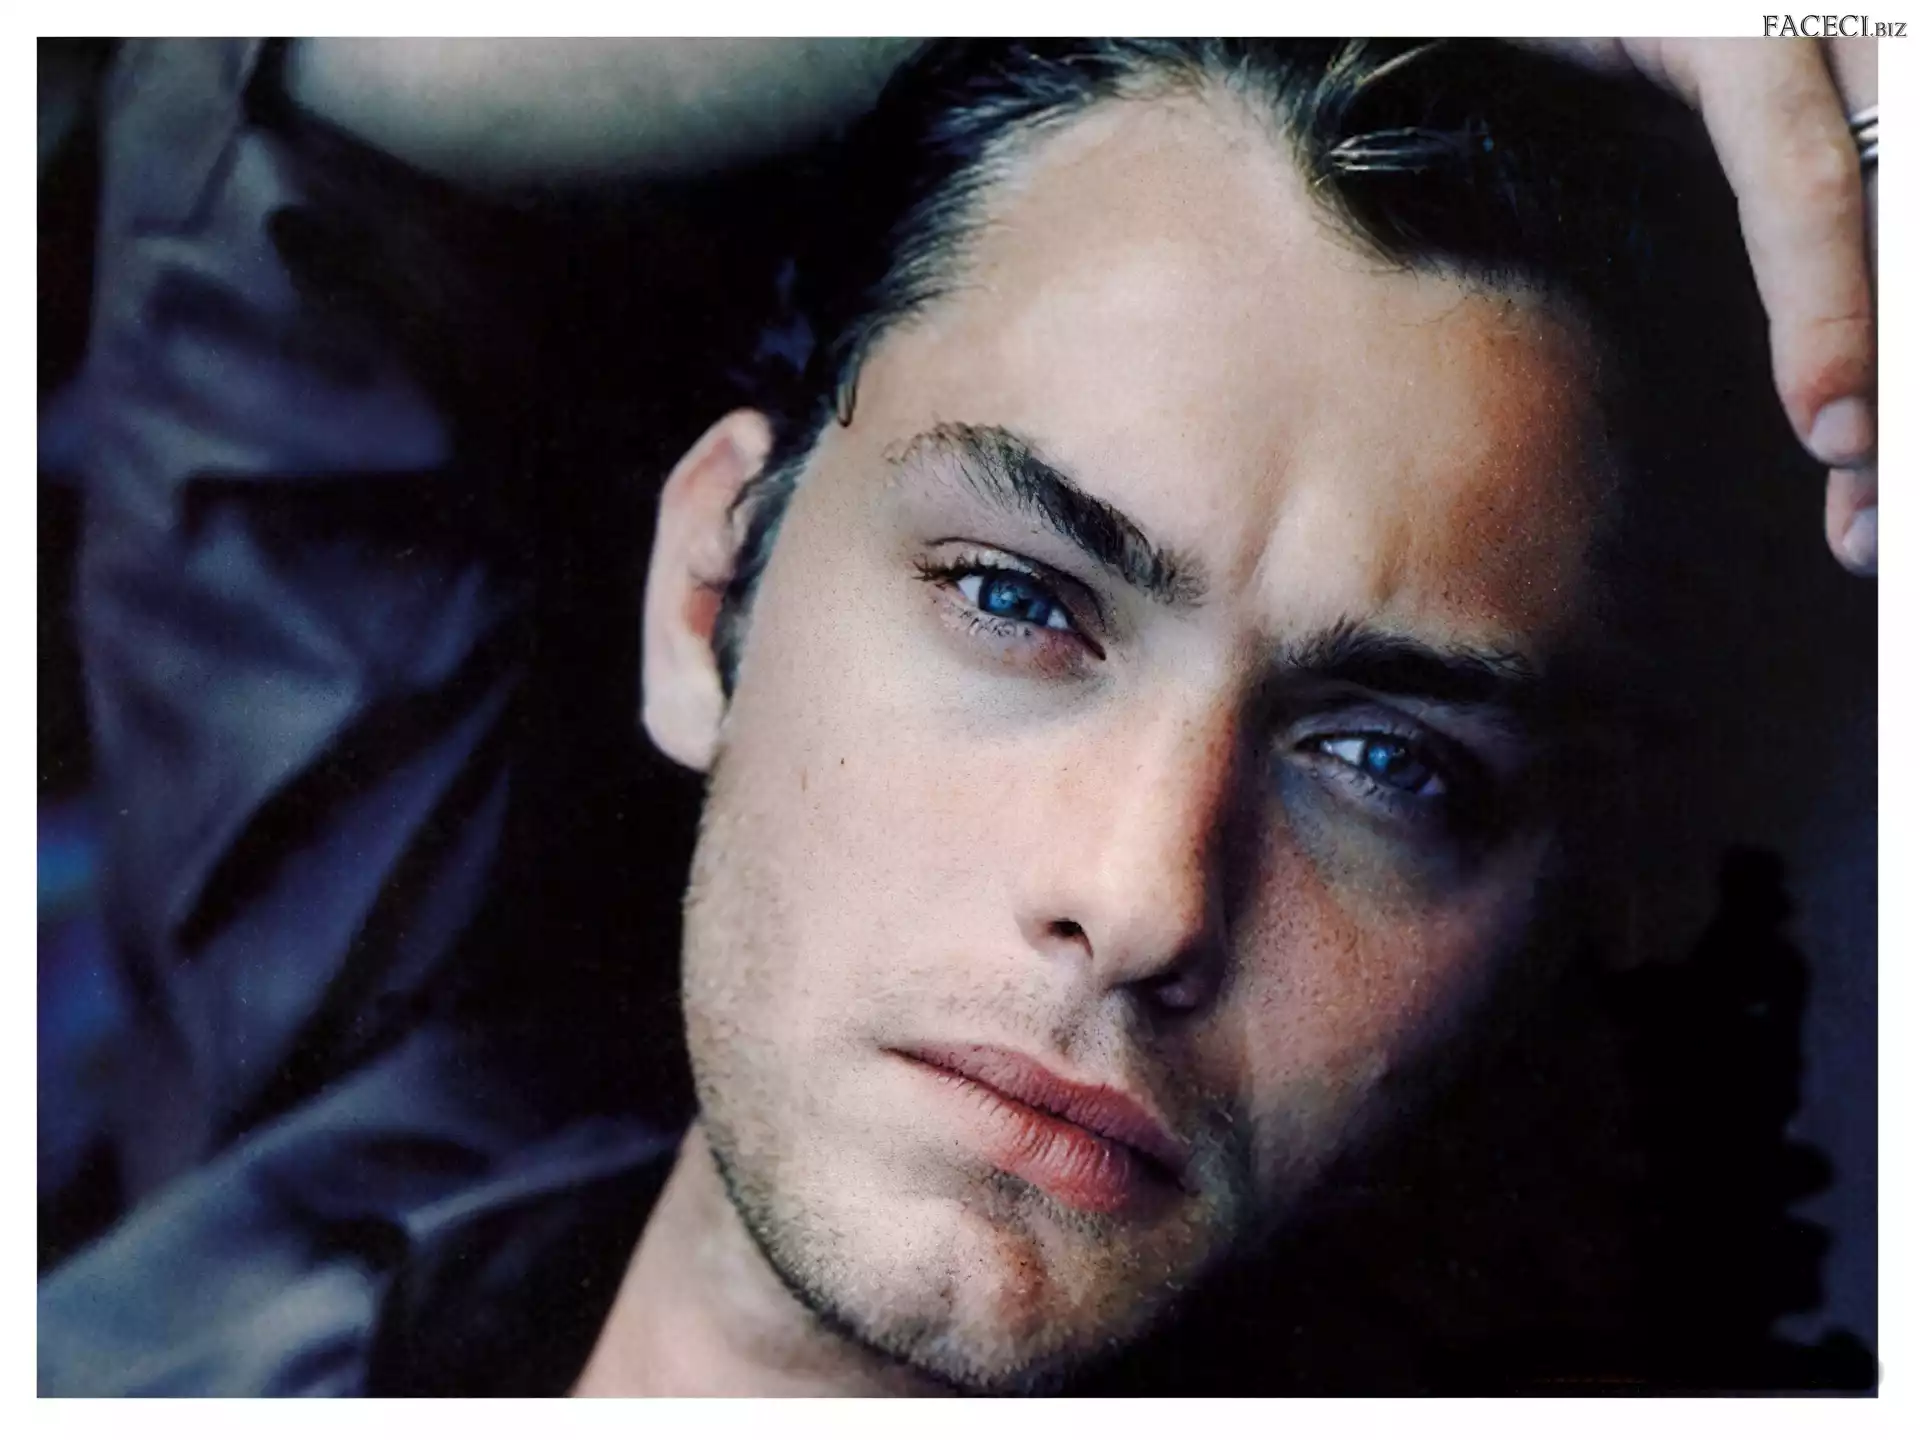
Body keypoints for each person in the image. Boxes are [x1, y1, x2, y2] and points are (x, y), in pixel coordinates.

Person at [37, 37, 1877, 1396]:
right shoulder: (342, 1157)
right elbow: (254, 115)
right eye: (1016, 600)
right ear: (708, 596)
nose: (1140, 897)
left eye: (1388, 762)